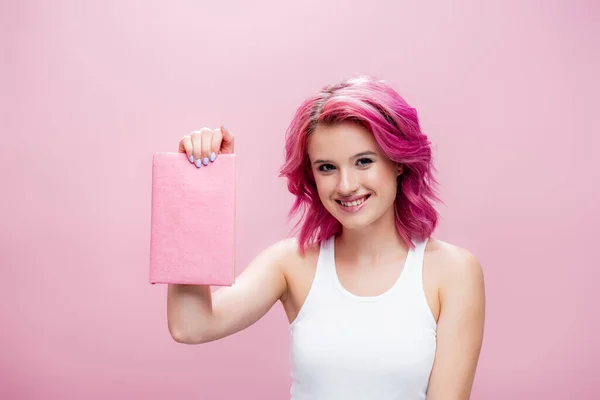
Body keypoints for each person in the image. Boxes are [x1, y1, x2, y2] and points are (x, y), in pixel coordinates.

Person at [167, 76, 486, 400]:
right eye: (327, 167)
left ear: (398, 162)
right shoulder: (291, 263)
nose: (346, 185)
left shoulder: (453, 271)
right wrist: (197, 187)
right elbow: (191, 325)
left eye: (364, 161)